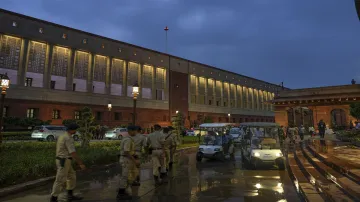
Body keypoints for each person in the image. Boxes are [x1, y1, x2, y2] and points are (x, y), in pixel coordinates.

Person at [50, 123, 86, 202]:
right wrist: (80, 163)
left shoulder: (63, 136)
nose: (75, 131)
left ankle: (70, 195)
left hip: (65, 160)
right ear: (71, 130)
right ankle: (53, 198)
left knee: (71, 176)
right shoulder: (68, 138)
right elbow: (73, 153)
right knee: (60, 180)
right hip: (64, 160)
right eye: (75, 130)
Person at [117, 125, 140, 200]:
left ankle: (123, 191)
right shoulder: (128, 140)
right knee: (125, 176)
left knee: (127, 176)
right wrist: (135, 161)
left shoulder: (128, 139)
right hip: (126, 159)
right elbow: (126, 152)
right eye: (135, 130)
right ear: (131, 131)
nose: (136, 132)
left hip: (126, 159)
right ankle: (121, 193)